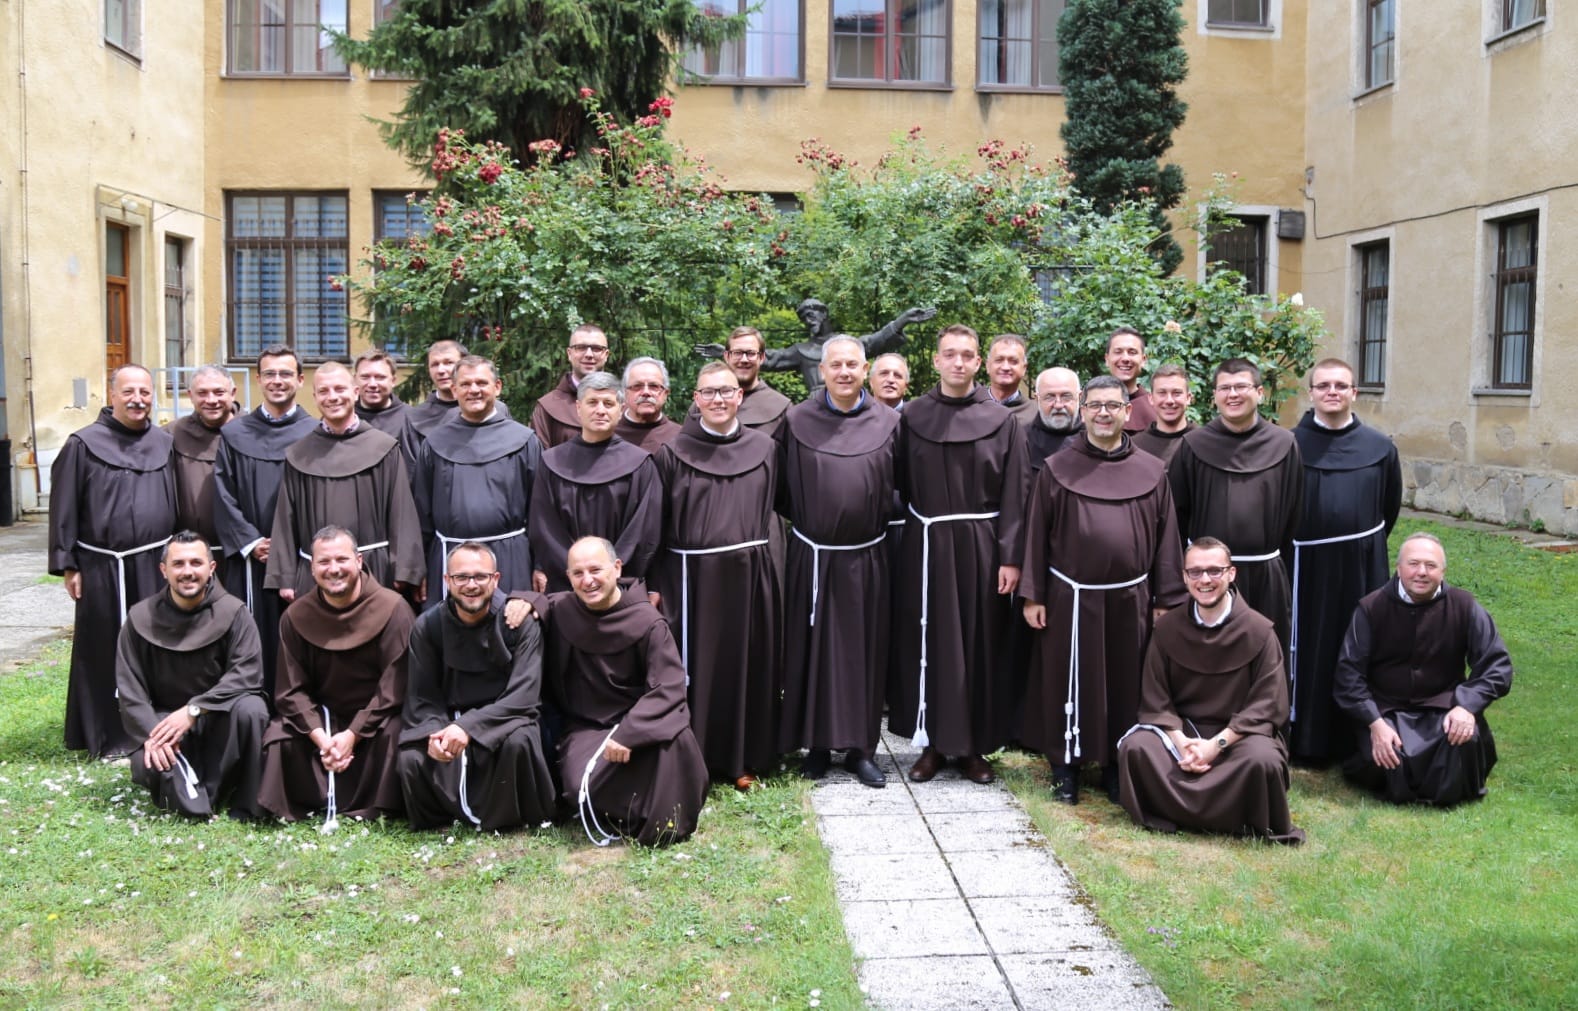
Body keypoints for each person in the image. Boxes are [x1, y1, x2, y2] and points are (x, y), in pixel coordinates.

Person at [1021, 376, 1187, 804]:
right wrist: (1033, 594)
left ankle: (1117, 764)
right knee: (1066, 680)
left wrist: (1167, 598)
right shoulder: (1058, 468)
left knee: (1124, 683)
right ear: (1083, 410)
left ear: (1128, 412)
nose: (1103, 413)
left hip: (1131, 599)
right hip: (1070, 598)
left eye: (1113, 405)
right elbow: (1036, 533)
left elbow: (1167, 539)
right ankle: (1065, 766)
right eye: (1095, 405)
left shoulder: (1152, 471)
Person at [893, 325, 1029, 785]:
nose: (957, 362)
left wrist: (1011, 557)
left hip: (981, 547)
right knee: (929, 641)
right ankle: (932, 744)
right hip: (927, 542)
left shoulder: (1002, 421)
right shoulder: (912, 416)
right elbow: (900, 482)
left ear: (978, 363)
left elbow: (1016, 493)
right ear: (936, 361)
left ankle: (973, 747)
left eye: (966, 355)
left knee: (978, 643)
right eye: (949, 354)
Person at [516, 537, 708, 845]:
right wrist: (524, 601)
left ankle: (658, 810)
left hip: (640, 724)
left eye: (596, 570)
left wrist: (630, 733)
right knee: (580, 787)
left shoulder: (648, 622)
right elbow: (540, 601)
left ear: (617, 568)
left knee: (676, 740)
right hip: (588, 727)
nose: (587, 580)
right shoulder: (564, 608)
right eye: (578, 573)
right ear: (568, 577)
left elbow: (668, 687)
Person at [1115, 538, 1304, 844]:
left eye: (1214, 571)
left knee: (1263, 761)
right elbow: (1156, 698)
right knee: (1136, 749)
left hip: (1239, 739)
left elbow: (1267, 704)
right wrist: (1183, 744)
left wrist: (1216, 745)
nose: (1204, 580)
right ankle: (1215, 814)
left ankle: (1195, 811)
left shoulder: (1259, 631)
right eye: (1195, 572)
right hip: (1182, 736)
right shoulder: (1167, 629)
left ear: (1231, 573)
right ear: (1184, 576)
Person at [652, 361, 781, 790]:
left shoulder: (766, 449)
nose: (718, 399)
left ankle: (743, 758)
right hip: (691, 580)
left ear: (740, 396)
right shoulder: (672, 453)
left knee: (746, 666)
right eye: (708, 392)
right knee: (697, 670)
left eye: (726, 391)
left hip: (749, 576)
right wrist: (654, 584)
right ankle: (694, 757)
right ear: (695, 399)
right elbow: (655, 525)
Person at [777, 337, 900, 789]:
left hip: (867, 555)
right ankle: (816, 747)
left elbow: (902, 482)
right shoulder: (796, 420)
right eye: (836, 365)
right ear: (823, 370)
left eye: (852, 364)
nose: (844, 372)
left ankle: (861, 749)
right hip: (812, 554)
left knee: (863, 653)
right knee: (810, 650)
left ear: (865, 370)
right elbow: (781, 488)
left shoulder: (890, 422)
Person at [49, 363, 178, 757]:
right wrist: (69, 564)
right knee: (101, 644)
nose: (137, 399)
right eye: (128, 392)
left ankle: (154, 727)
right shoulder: (83, 444)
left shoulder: (165, 443)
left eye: (144, 392)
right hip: (101, 565)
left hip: (155, 563)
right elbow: (63, 507)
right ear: (112, 395)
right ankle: (103, 734)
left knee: (155, 644)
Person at [1335, 533, 1512, 806]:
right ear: (1398, 568)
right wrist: (1375, 723)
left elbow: (1497, 666)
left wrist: (1467, 707)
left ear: (1443, 571)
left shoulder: (1465, 606)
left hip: (1445, 709)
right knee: (1386, 755)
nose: (1421, 572)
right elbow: (1348, 677)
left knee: (1463, 741)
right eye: (1413, 563)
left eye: (1431, 565)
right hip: (1386, 711)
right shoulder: (1370, 608)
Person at [1287, 358, 1402, 763]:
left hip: (1361, 565)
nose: (1331, 392)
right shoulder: (1288, 445)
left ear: (1354, 392)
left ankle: (1359, 737)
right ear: (1311, 393)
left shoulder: (1380, 448)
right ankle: (1308, 738)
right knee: (1311, 646)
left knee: (1360, 645)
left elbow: (1388, 508)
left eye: (1340, 385)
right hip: (1306, 568)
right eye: (1323, 385)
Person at [258, 527, 415, 822]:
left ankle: (377, 805)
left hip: (376, 719)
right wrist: (323, 740)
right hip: (322, 722)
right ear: (311, 568)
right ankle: (309, 801)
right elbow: (290, 690)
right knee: (279, 737)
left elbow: (394, 687)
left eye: (342, 559)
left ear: (359, 561)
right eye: (324, 562)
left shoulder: (394, 609)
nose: (334, 569)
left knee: (397, 733)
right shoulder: (295, 616)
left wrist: (352, 735)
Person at [397, 542, 557, 830]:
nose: (471, 585)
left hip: (508, 718)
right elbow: (422, 698)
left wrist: (468, 727)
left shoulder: (519, 623)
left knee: (519, 742)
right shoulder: (428, 626)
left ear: (495, 579)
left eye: (480, 577)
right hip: (449, 719)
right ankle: (442, 821)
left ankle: (510, 819)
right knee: (412, 757)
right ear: (447, 580)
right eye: (461, 577)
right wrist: (436, 733)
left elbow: (524, 696)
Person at [115, 532, 269, 819]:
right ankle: (197, 800)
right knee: (149, 761)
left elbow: (247, 674)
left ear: (211, 568)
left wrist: (194, 709)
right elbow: (130, 690)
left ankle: (247, 798)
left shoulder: (235, 612)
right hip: (166, 723)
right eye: (179, 564)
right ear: (164, 570)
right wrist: (153, 734)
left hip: (220, 718)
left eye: (196, 563)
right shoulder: (139, 618)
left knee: (253, 709)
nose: (188, 572)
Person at [1168, 358, 1303, 659]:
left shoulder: (1284, 444)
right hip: (1208, 578)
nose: (1233, 395)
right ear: (1214, 396)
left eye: (1241, 387)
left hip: (1266, 575)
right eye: (1225, 388)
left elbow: (1293, 513)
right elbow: (1177, 516)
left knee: (1266, 657)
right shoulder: (1193, 445)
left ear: (1259, 392)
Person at [265, 361, 425, 602]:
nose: (332, 397)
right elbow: (285, 520)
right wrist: (284, 577)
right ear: (315, 397)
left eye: (340, 389)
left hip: (375, 573)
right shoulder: (300, 454)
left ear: (355, 392)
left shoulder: (384, 448)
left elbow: (402, 512)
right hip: (316, 576)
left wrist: (406, 569)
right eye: (324, 391)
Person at [214, 345, 319, 696]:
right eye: (270, 374)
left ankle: (298, 709)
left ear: (300, 380)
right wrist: (251, 542)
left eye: (285, 374)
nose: (277, 381)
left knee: (300, 638)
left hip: (300, 561)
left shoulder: (316, 434)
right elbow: (223, 494)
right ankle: (251, 707)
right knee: (249, 638)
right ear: (258, 379)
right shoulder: (234, 434)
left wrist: (291, 547)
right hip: (249, 561)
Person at [412, 355, 540, 602]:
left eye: (481, 383)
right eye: (465, 384)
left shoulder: (524, 441)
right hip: (451, 558)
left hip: (510, 558)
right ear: (454, 390)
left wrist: (540, 564)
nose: (474, 390)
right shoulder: (435, 443)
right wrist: (420, 568)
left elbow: (540, 510)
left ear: (497, 387)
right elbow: (421, 512)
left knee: (511, 621)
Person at [529, 371, 662, 594]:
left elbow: (643, 531)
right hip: (566, 586)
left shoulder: (640, 465)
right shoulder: (552, 462)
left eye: (608, 403)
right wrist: (578, 573)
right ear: (578, 408)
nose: (600, 410)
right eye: (592, 402)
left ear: (620, 409)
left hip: (621, 587)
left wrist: (608, 575)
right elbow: (544, 527)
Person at [696, 301, 937, 396]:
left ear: (824, 315)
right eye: (805, 318)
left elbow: (876, 341)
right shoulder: (802, 350)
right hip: (816, 404)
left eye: (813, 315)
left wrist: (902, 320)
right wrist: (728, 354)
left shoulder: (846, 345)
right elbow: (771, 359)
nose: (809, 320)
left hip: (849, 398)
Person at [168, 365, 234, 585]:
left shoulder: (253, 432)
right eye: (202, 393)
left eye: (219, 392)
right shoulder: (171, 435)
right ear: (190, 396)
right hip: (189, 557)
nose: (211, 400)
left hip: (241, 553)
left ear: (233, 393)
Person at [531, 324, 611, 449]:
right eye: (581, 348)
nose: (589, 354)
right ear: (569, 353)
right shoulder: (547, 407)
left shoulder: (622, 403)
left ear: (606, 355)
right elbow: (538, 457)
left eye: (596, 348)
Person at [707, 326, 792, 438]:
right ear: (727, 357)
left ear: (761, 358)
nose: (744, 360)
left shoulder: (783, 408)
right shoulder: (706, 402)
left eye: (750, 353)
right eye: (737, 353)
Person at [399, 340, 465, 464]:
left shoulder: (490, 411)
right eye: (434, 364)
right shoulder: (415, 418)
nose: (441, 370)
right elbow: (411, 469)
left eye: (449, 362)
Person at [1130, 363, 1196, 466]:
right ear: (1151, 398)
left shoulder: (1203, 442)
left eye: (1176, 393)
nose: (1169, 400)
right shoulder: (1135, 447)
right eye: (1162, 393)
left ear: (1188, 398)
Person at [613, 357, 682, 453]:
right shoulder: (608, 434)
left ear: (665, 394)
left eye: (654, 386)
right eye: (637, 386)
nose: (646, 392)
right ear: (625, 393)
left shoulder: (680, 438)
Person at [1025, 367, 1084, 474]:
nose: (1058, 405)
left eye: (1066, 396)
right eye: (1050, 397)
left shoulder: (1096, 439)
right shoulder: (1021, 440)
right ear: (1037, 399)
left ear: (1079, 397)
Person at [1105, 326, 1158, 433]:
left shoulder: (1156, 409)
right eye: (1118, 352)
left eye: (1132, 352)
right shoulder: (1091, 405)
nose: (1125, 358)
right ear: (1107, 359)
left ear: (1143, 360)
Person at [353, 349, 410, 437]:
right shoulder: (343, 418)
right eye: (365, 377)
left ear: (393, 381)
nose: (372, 384)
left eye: (380, 377)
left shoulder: (411, 419)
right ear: (355, 380)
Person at [985, 334, 1038, 425]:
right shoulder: (969, 408)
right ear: (988, 366)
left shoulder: (1036, 415)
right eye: (999, 360)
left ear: (1024, 368)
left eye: (1013, 361)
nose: (1005, 367)